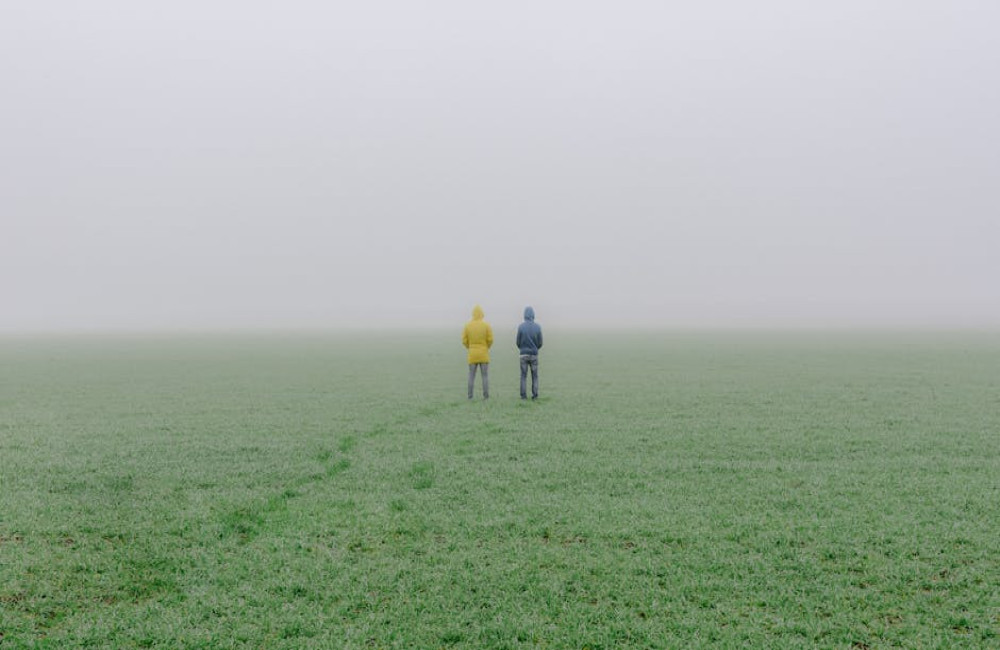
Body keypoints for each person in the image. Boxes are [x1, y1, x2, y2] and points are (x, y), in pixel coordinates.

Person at [462, 304, 493, 399]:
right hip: (483, 353)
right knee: (484, 376)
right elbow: (490, 339)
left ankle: (470, 396)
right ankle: (486, 396)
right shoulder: (486, 325)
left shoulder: (467, 326)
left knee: (471, 376)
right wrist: (486, 347)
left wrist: (470, 347)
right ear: (481, 314)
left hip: (472, 354)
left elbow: (464, 340)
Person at [516, 306, 543, 400]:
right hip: (534, 355)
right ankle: (535, 396)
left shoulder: (521, 327)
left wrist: (522, 348)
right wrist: (535, 349)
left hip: (523, 354)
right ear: (533, 315)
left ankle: (523, 396)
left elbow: (517, 342)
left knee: (523, 376)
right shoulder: (538, 327)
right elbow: (540, 343)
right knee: (535, 376)